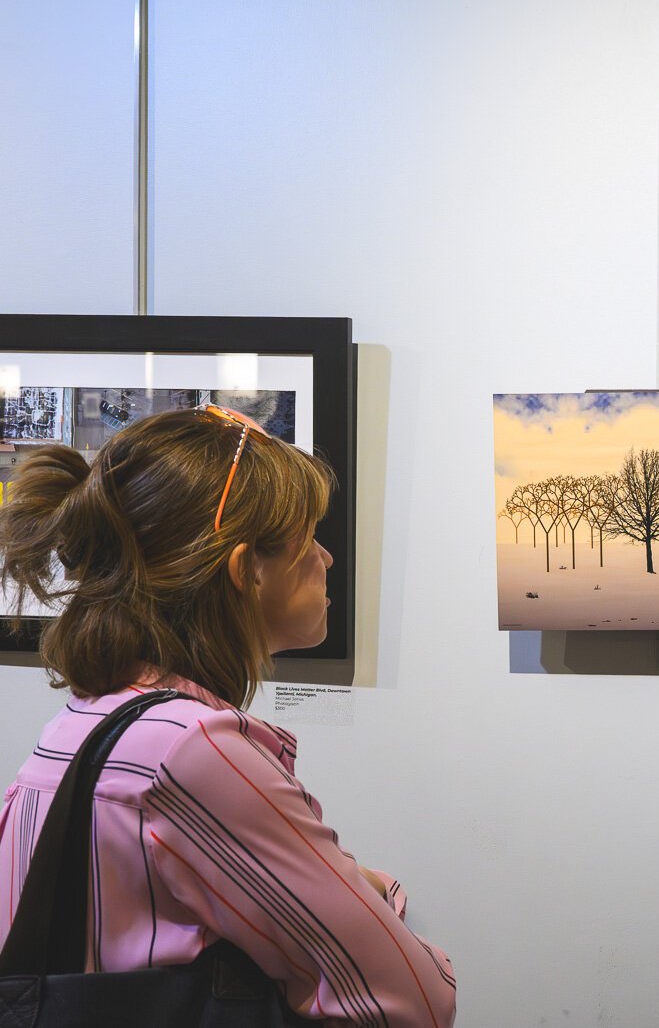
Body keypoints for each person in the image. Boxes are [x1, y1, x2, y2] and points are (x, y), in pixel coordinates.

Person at [0, 405, 456, 1027]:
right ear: (245, 571)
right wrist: (378, 899)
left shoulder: (82, 725)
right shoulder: (193, 748)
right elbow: (413, 998)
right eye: (307, 541)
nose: (326, 559)